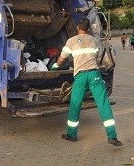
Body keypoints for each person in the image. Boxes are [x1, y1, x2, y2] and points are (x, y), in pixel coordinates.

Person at [52, 17, 122, 147]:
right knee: (103, 104)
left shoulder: (71, 41)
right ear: (88, 29)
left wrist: (56, 65)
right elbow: (95, 56)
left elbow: (62, 58)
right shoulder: (94, 41)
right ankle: (112, 136)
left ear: (78, 28)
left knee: (75, 104)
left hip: (80, 76)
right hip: (94, 74)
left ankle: (71, 135)